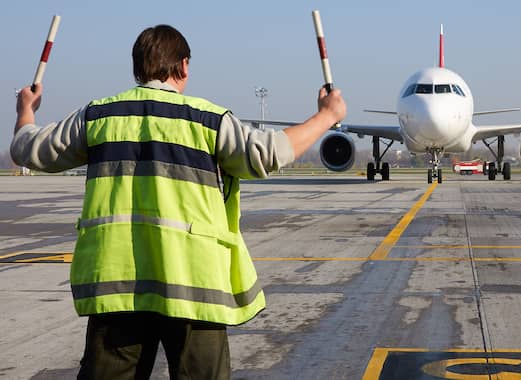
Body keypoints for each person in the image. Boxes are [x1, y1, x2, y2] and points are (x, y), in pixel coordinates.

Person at [11, 24, 346, 379]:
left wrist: (26, 110)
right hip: (194, 287)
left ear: (137, 67)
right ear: (183, 66)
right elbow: (270, 152)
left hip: (117, 287)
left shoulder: (98, 117)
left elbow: (26, 149)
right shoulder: (208, 121)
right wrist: (327, 115)